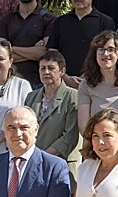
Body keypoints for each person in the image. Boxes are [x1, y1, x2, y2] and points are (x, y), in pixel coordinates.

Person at [76, 31, 118, 142]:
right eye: (100, 50)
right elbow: (84, 125)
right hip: (98, 146)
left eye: (110, 49)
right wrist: (101, 144)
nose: (105, 54)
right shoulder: (86, 84)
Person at [48, 0, 115, 86]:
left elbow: (107, 54)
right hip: (63, 84)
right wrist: (64, 77)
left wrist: (85, 78)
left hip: (95, 83)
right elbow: (53, 52)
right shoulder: (60, 22)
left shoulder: (105, 22)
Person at [24, 51, 81, 181]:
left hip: (61, 164)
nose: (46, 72)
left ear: (62, 71)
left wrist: (41, 156)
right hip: (33, 166)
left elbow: (69, 136)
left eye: (51, 68)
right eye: (42, 68)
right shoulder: (31, 97)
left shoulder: (73, 96)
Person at [0, 0, 55, 85]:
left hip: (37, 83)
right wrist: (33, 51)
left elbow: (44, 54)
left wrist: (9, 48)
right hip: (10, 82)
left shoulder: (49, 19)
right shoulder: (6, 19)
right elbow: (0, 54)